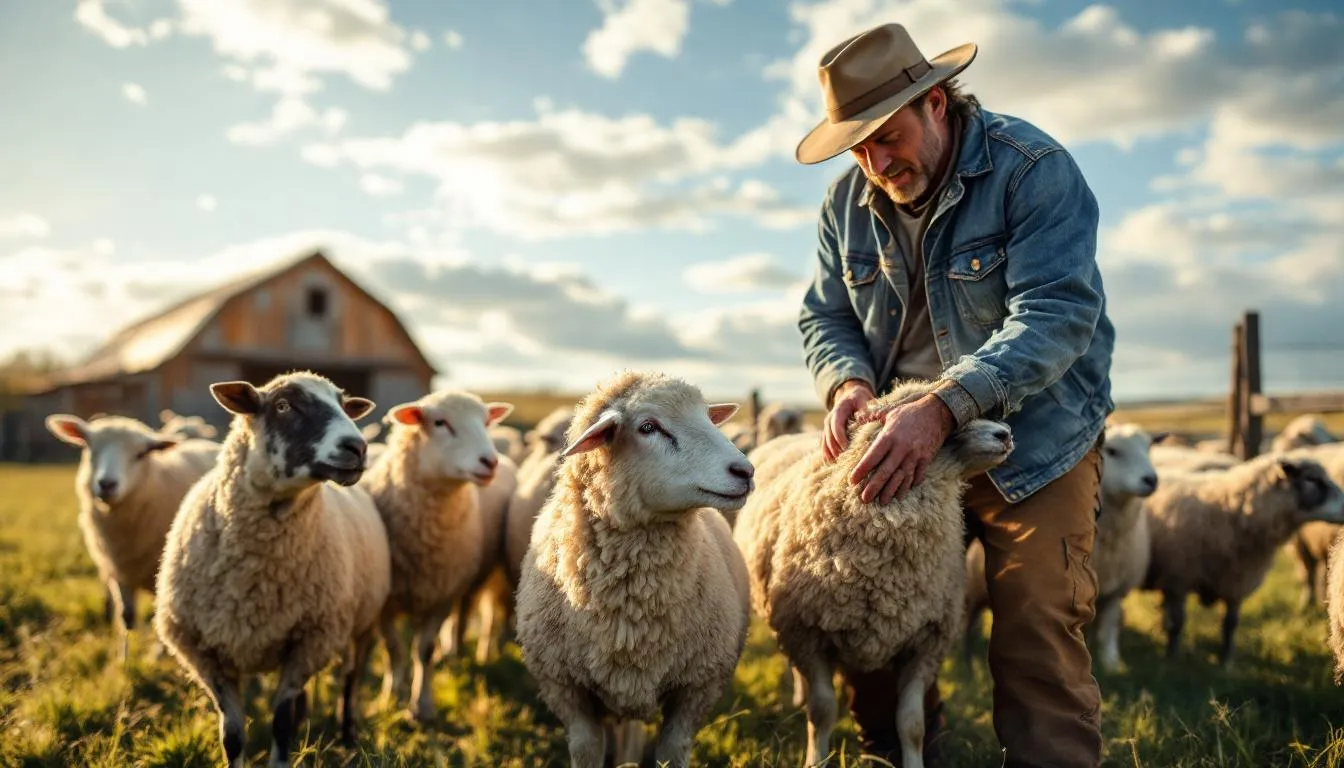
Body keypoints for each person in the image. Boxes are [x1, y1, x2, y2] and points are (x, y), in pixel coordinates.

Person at [794, 20, 1115, 768]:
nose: (877, 161)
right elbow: (826, 314)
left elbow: (1057, 313)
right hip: (897, 435)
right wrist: (845, 381)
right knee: (868, 595)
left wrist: (940, 408)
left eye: (888, 137)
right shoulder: (846, 205)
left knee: (1036, 615)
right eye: (860, 147)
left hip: (1031, 437)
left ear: (936, 102)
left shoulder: (1032, 170)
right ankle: (902, 754)